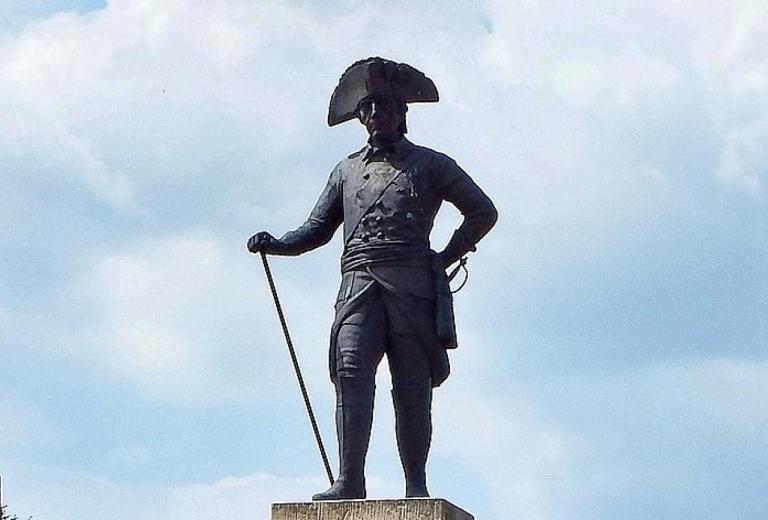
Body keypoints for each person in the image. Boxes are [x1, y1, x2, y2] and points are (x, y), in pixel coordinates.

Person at [247, 57, 497, 500]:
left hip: (411, 286)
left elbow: (482, 211)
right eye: (370, 107)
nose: (378, 113)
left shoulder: (432, 164)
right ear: (361, 116)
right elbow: (318, 229)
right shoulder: (345, 171)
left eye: (386, 106)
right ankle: (349, 480)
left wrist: (444, 258)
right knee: (350, 372)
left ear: (402, 112)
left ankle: (416, 485)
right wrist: (279, 244)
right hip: (358, 285)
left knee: (412, 384)